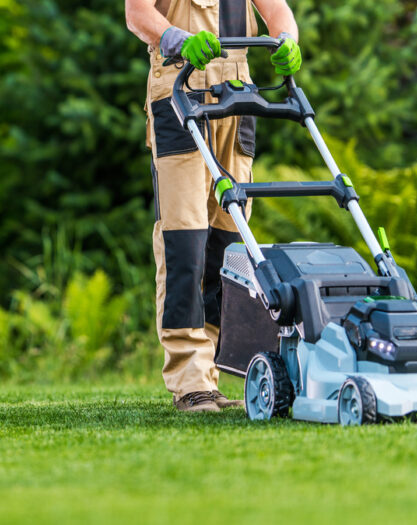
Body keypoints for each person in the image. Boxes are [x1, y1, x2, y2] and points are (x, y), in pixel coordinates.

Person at [125, 0, 302, 412]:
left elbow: (278, 12)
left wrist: (288, 40)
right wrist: (179, 40)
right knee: (184, 238)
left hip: (236, 96)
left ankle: (213, 373)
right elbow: (137, 14)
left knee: (229, 242)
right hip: (179, 88)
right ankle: (189, 378)